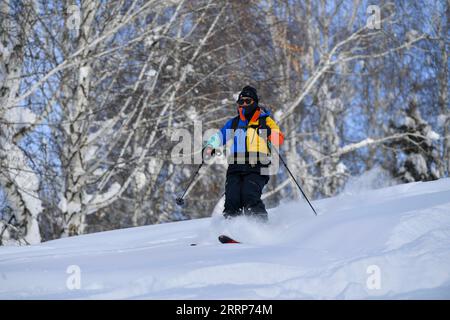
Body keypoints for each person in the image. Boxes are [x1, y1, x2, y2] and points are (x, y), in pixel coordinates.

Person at [203, 85, 284, 221]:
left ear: (255, 102)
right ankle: (231, 228)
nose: (244, 104)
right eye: (241, 102)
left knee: (249, 194)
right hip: (236, 165)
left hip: (258, 164)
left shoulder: (265, 120)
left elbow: (279, 139)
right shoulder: (234, 122)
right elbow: (220, 135)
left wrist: (269, 132)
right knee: (232, 198)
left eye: (248, 101)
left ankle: (260, 226)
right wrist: (210, 146)